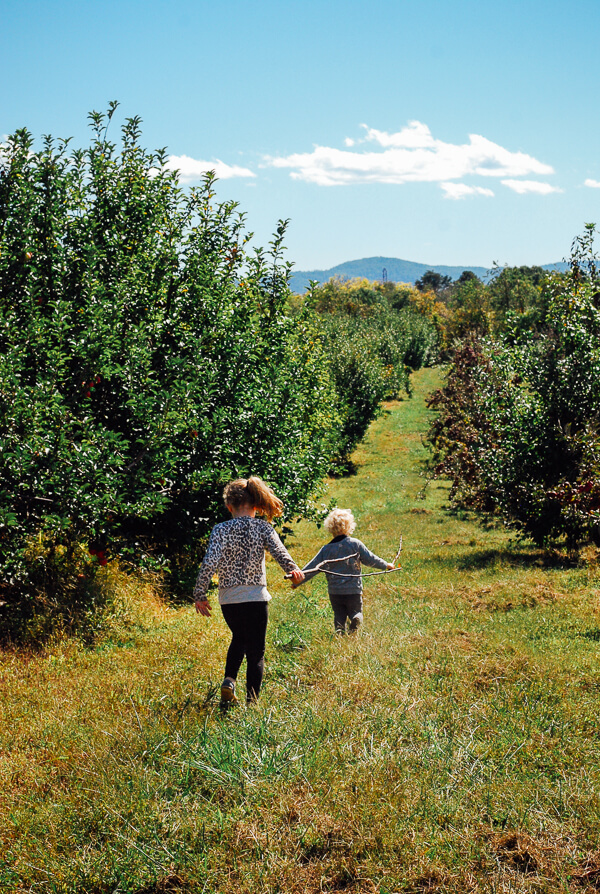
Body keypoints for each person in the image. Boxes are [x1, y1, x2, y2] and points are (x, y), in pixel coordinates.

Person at [194, 476, 304, 707]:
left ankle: (229, 680)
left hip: (229, 599)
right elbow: (280, 552)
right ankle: (251, 704)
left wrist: (200, 594)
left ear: (229, 506)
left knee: (239, 638)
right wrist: (293, 571)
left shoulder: (220, 529)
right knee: (256, 650)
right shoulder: (262, 527)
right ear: (256, 504)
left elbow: (209, 562)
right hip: (255, 597)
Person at [293, 508, 393, 635]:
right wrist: (386, 565)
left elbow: (313, 567)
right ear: (349, 526)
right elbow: (370, 559)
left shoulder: (326, 549)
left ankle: (339, 631)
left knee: (339, 614)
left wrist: (298, 581)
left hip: (335, 591)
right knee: (356, 610)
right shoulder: (355, 544)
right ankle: (356, 618)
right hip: (353, 590)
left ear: (330, 527)